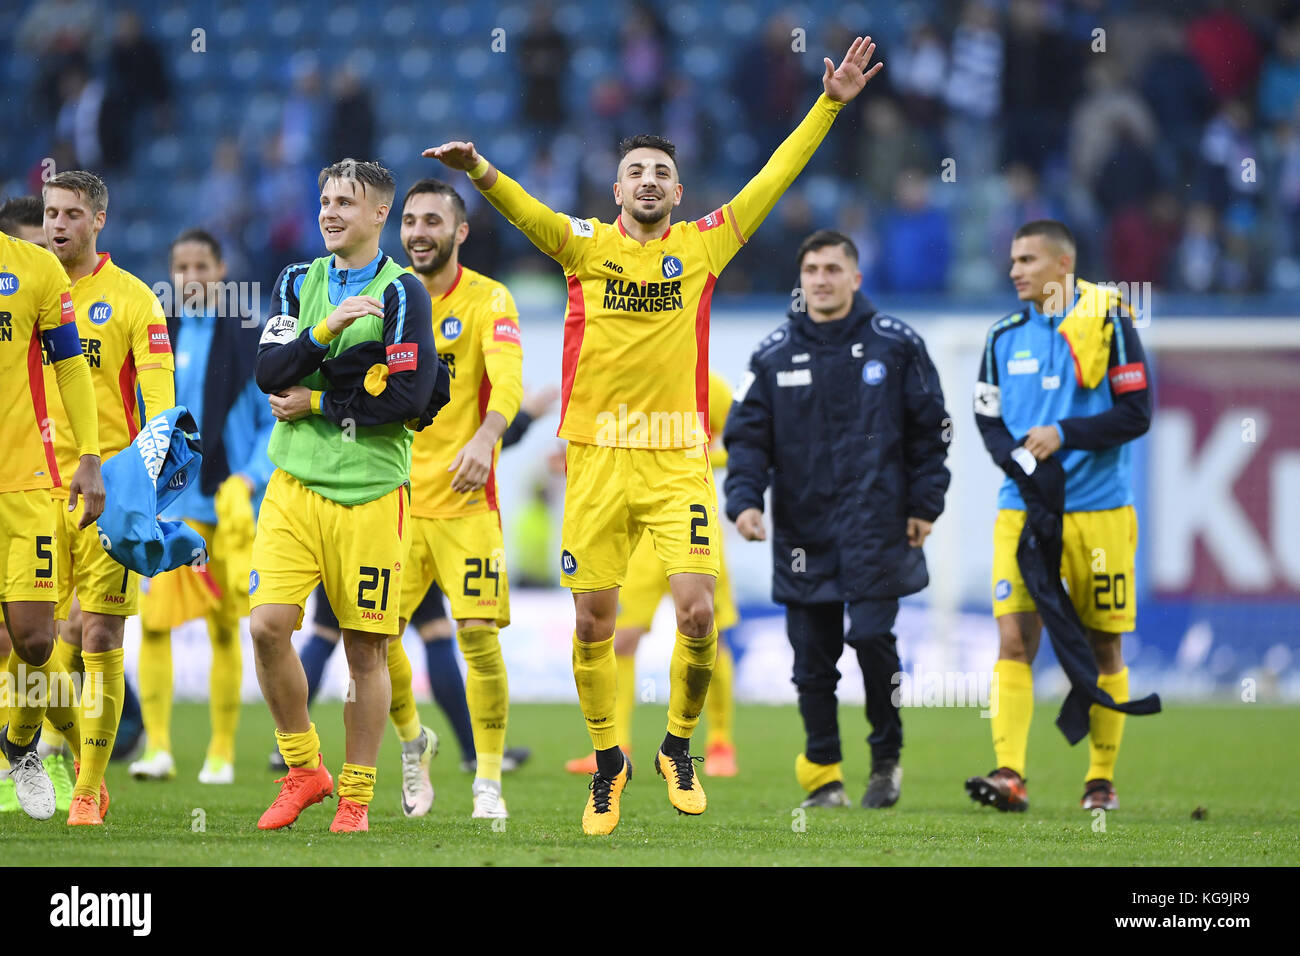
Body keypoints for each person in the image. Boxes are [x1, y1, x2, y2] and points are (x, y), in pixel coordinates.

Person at [425, 35, 882, 834]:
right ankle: (609, 764)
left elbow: (776, 175)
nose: (649, 181)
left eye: (661, 172)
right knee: (594, 624)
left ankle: (678, 745)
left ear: (678, 188)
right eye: (636, 170)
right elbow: (527, 211)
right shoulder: (584, 246)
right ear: (616, 187)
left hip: (676, 459)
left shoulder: (704, 245)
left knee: (698, 614)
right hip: (595, 460)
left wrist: (830, 105)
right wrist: (480, 173)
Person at [725, 229, 951, 809]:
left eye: (832, 269)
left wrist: (926, 504)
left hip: (878, 526)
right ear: (800, 281)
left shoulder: (896, 345)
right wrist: (745, 501)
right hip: (803, 531)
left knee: (872, 638)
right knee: (810, 661)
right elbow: (747, 440)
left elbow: (933, 432)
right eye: (811, 271)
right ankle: (824, 777)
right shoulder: (773, 355)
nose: (821, 280)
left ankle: (886, 761)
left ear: (856, 277)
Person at [250, 159, 440, 833]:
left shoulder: (403, 295)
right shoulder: (297, 281)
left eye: (345, 204)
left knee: (365, 649)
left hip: (369, 493)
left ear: (379, 214)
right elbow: (268, 374)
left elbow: (413, 401)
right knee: (267, 625)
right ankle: (305, 769)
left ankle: (356, 799)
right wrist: (326, 331)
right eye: (325, 200)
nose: (329, 212)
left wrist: (323, 399)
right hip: (293, 485)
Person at [967, 219, 1151, 812]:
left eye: (1027, 260)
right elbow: (989, 420)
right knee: (1014, 641)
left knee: (1104, 647)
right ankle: (1009, 774)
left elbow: (1137, 413)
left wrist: (1063, 434)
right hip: (1022, 513)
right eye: (1013, 260)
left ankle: (1100, 780)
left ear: (1062, 266)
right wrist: (1019, 466)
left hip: (1098, 512)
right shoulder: (1002, 336)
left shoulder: (1109, 318)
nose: (1015, 270)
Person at [36, 171, 177, 826]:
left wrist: (147, 494)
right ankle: (45, 750)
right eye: (49, 212)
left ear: (98, 221)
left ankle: (89, 786)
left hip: (106, 494)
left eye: (71, 213)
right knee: (36, 638)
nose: (57, 224)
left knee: (97, 635)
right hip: (31, 491)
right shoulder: (28, 294)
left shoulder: (133, 300)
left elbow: (163, 408)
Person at [129, 228, 275, 786]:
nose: (189, 278)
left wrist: (248, 477)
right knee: (159, 627)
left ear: (220, 270)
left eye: (199, 266)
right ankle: (159, 749)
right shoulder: (156, 334)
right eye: (179, 267)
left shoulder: (250, 337)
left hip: (225, 508)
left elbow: (268, 423)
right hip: (171, 510)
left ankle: (220, 752)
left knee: (222, 631)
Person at [564, 368, 742, 778]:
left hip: (688, 520)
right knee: (622, 637)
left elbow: (744, 443)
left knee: (706, 626)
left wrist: (696, 453)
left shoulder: (707, 384)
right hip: (638, 539)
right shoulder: (617, 375)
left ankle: (720, 743)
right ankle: (617, 745)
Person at [0, 193, 105, 822]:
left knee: (36, 640)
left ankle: (19, 744)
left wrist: (89, 455)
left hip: (28, 483)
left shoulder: (35, 269)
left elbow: (69, 366)